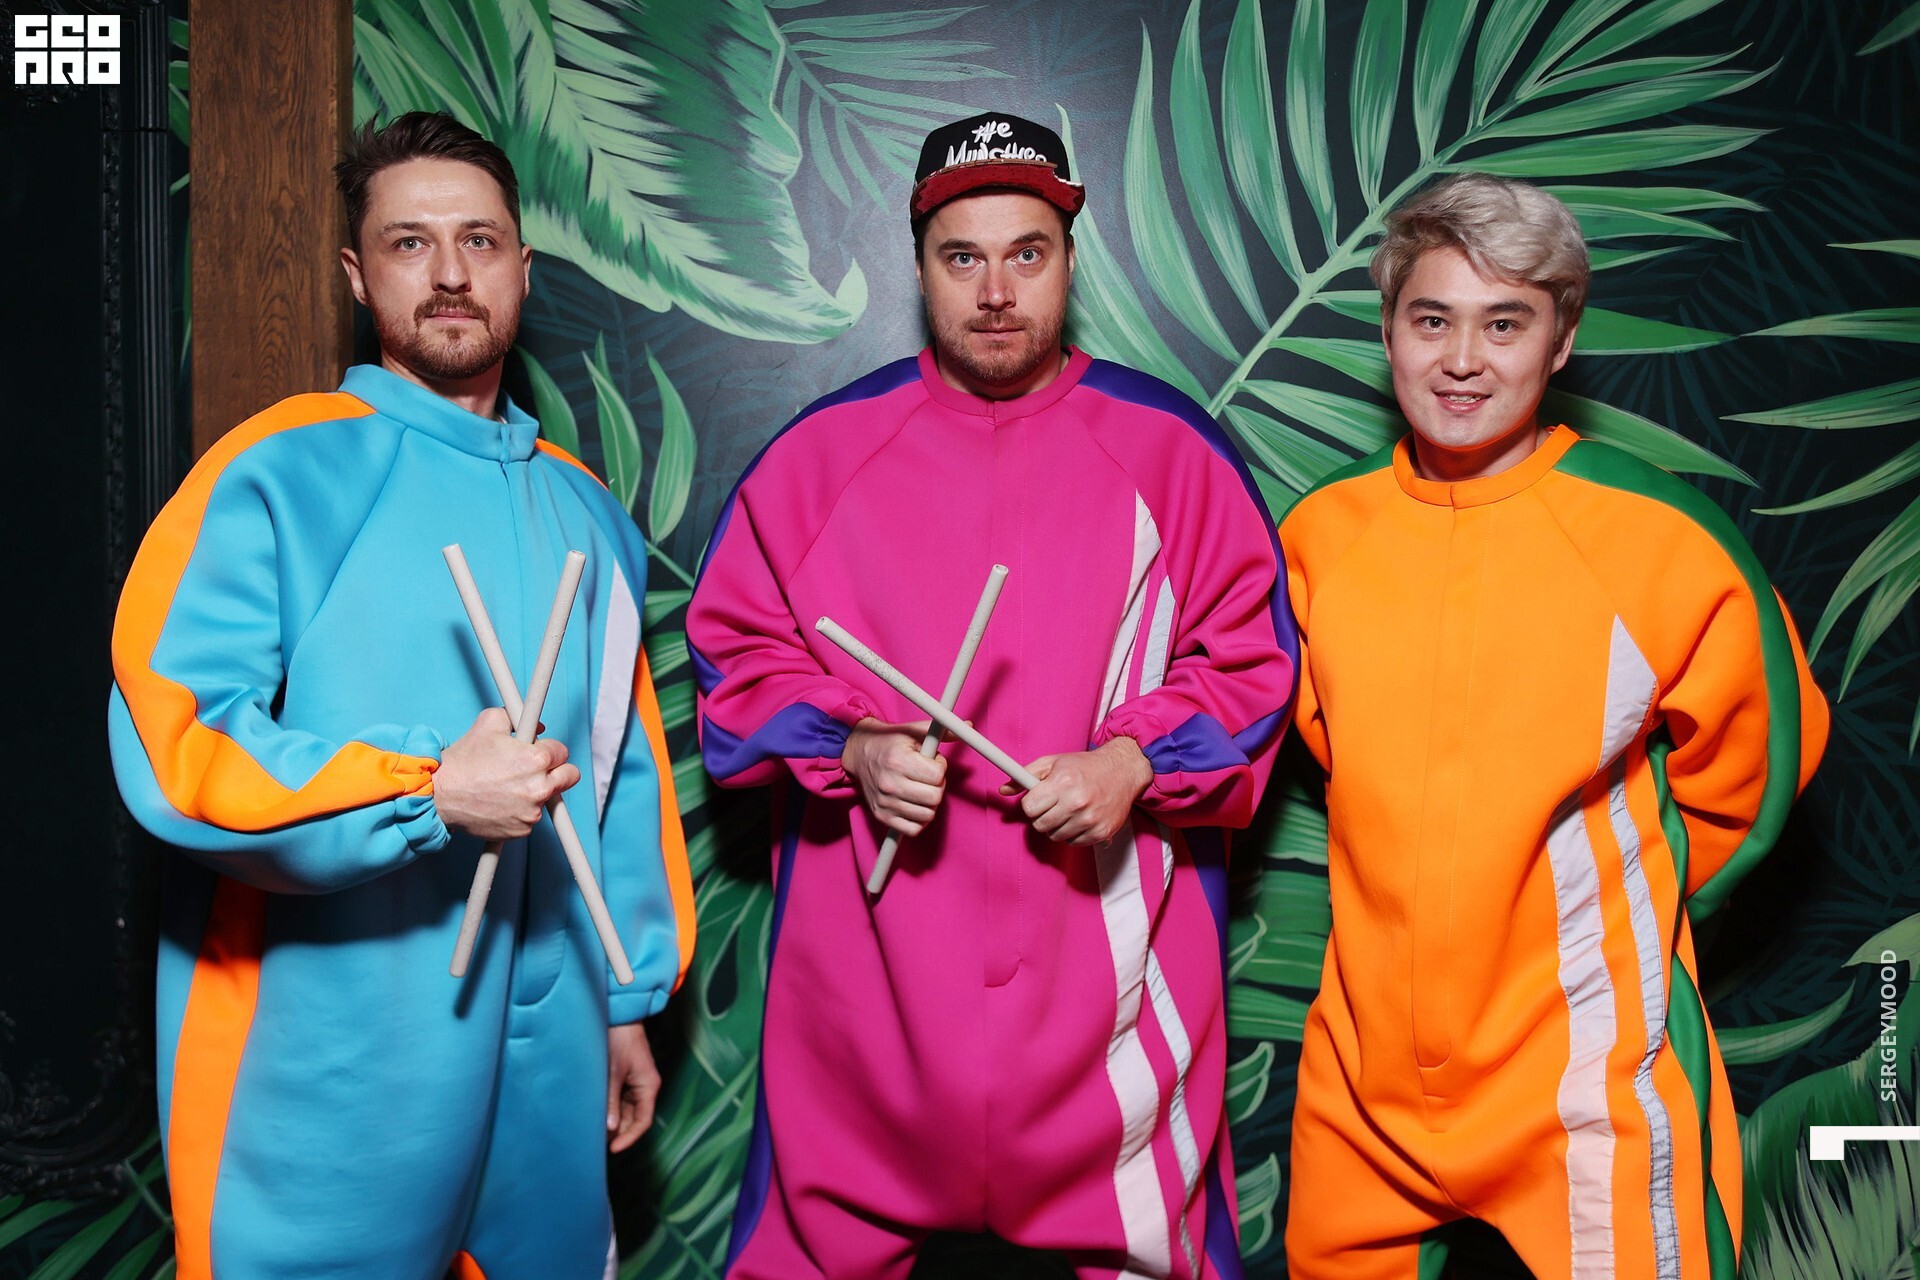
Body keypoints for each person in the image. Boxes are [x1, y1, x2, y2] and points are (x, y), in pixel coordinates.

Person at [686, 110, 1298, 1280]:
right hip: (866, 1013)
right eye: (962, 256)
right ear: (918, 265)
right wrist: (854, 746)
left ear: (1070, 258)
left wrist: (1134, 761)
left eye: (1028, 252)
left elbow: (1255, 668)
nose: (998, 291)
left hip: (1112, 1012)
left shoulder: (1175, 451)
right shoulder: (817, 456)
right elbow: (734, 662)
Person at [108, 112, 694, 1280]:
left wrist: (624, 997)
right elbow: (179, 737)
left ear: (522, 266)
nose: (450, 273)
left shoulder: (588, 509)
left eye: (479, 239)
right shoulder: (278, 465)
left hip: (551, 1034)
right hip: (330, 1041)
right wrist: (423, 790)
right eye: (410, 242)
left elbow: (619, 770)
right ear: (356, 274)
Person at [1278, 173, 1828, 1280]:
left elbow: (1759, 768)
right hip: (1363, 1080)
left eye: (1505, 323)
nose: (1462, 359)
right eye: (1431, 319)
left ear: (1562, 340)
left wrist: (1624, 918)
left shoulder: (1659, 533)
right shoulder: (1320, 533)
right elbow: (1341, 753)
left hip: (1586, 1071)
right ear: (1388, 330)